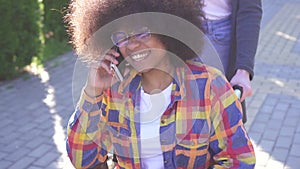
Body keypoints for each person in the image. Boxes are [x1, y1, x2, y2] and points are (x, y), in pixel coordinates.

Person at [65, 0, 256, 168]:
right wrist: (93, 92)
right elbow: (83, 161)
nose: (131, 45)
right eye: (121, 37)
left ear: (167, 29)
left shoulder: (211, 87)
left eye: (142, 33)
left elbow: (238, 160)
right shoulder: (112, 92)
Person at [197, 0, 263, 123]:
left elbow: (250, 9)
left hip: (217, 34)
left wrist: (243, 71)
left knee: (218, 124)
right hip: (172, 25)